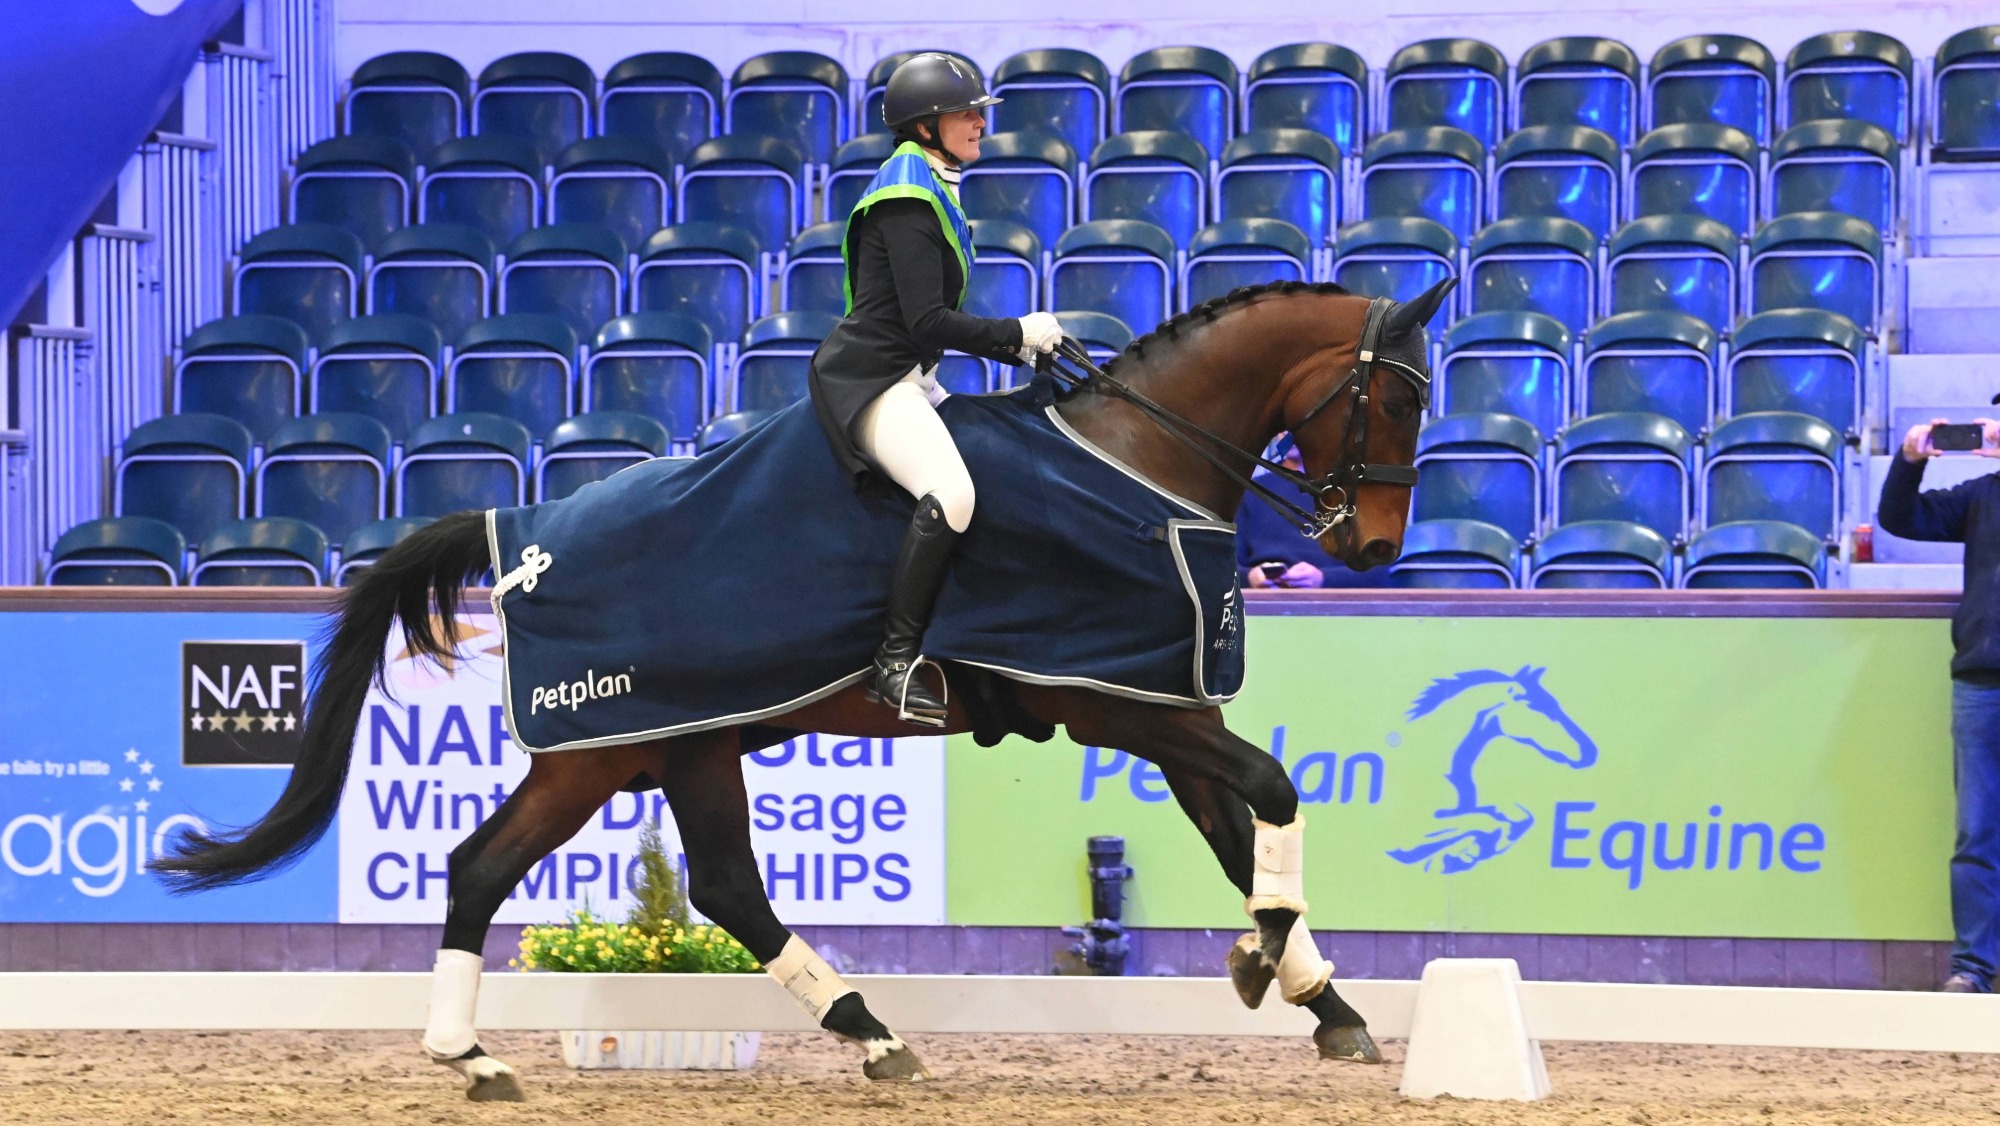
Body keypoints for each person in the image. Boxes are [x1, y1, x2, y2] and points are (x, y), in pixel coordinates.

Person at [807, 53, 1065, 726]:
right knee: (950, 492)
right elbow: (926, 320)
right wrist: (1018, 333)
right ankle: (894, 663)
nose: (980, 123)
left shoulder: (932, 181)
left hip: (913, 373)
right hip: (873, 379)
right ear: (926, 126)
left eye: (979, 112)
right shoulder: (905, 198)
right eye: (966, 114)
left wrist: (1027, 346)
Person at [1876, 415, 2000, 992]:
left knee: (1978, 833)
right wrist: (1910, 461)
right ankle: (1973, 968)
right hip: (1980, 681)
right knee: (1976, 834)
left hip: (1979, 684)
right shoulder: (1982, 495)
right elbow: (1902, 519)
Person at [1235, 439, 1391, 590]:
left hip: (1332, 603)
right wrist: (1249, 577)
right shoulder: (1250, 491)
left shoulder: (1352, 495)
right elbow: (1225, 565)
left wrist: (1323, 579)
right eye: (1282, 427)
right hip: (1262, 601)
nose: (1289, 434)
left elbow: (1380, 571)